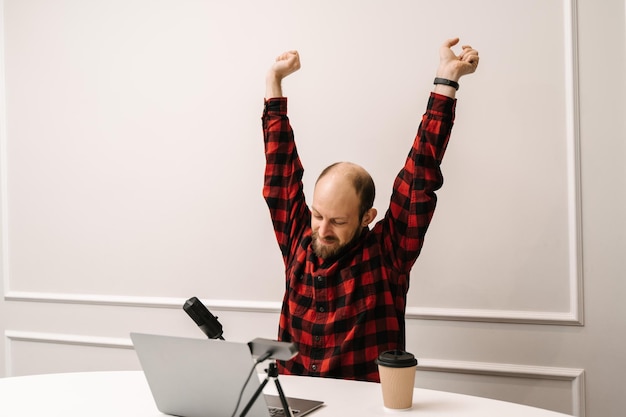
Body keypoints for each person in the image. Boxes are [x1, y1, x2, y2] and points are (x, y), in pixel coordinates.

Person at [262, 38, 479, 382]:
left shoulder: (388, 253)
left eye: (337, 221)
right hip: (293, 404)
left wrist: (446, 81)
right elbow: (280, 173)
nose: (321, 230)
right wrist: (274, 82)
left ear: (367, 217)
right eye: (318, 215)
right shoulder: (298, 240)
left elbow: (419, 175)